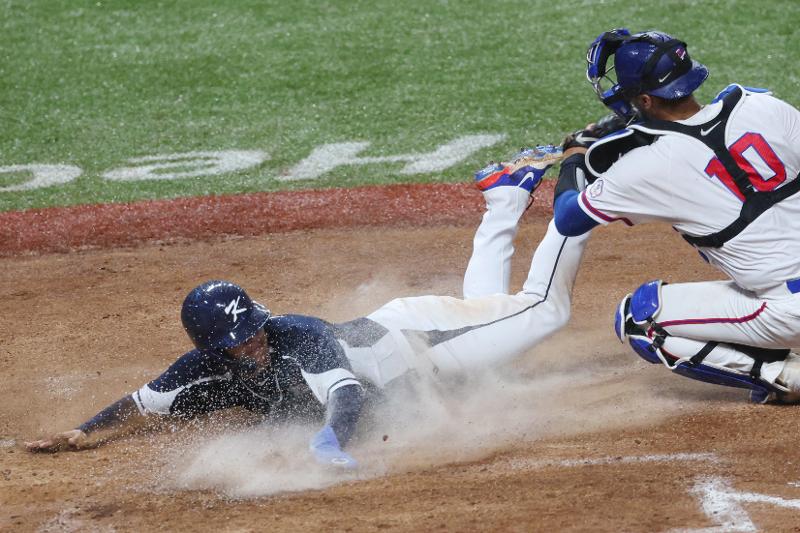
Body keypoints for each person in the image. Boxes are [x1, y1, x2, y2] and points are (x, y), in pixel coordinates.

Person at [26, 145, 593, 468]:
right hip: (419, 338)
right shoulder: (201, 370)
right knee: (489, 307)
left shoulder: (296, 335)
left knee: (543, 309)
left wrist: (329, 440)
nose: (251, 341)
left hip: (428, 341)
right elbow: (141, 403)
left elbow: (344, 396)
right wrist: (81, 433)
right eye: (235, 341)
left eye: (250, 329)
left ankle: (579, 186)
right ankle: (506, 194)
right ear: (208, 349)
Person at [552, 28, 800, 403]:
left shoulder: (646, 168)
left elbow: (569, 218)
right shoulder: (762, 106)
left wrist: (572, 159)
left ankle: (783, 375)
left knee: (641, 319)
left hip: (790, 312)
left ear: (646, 99)